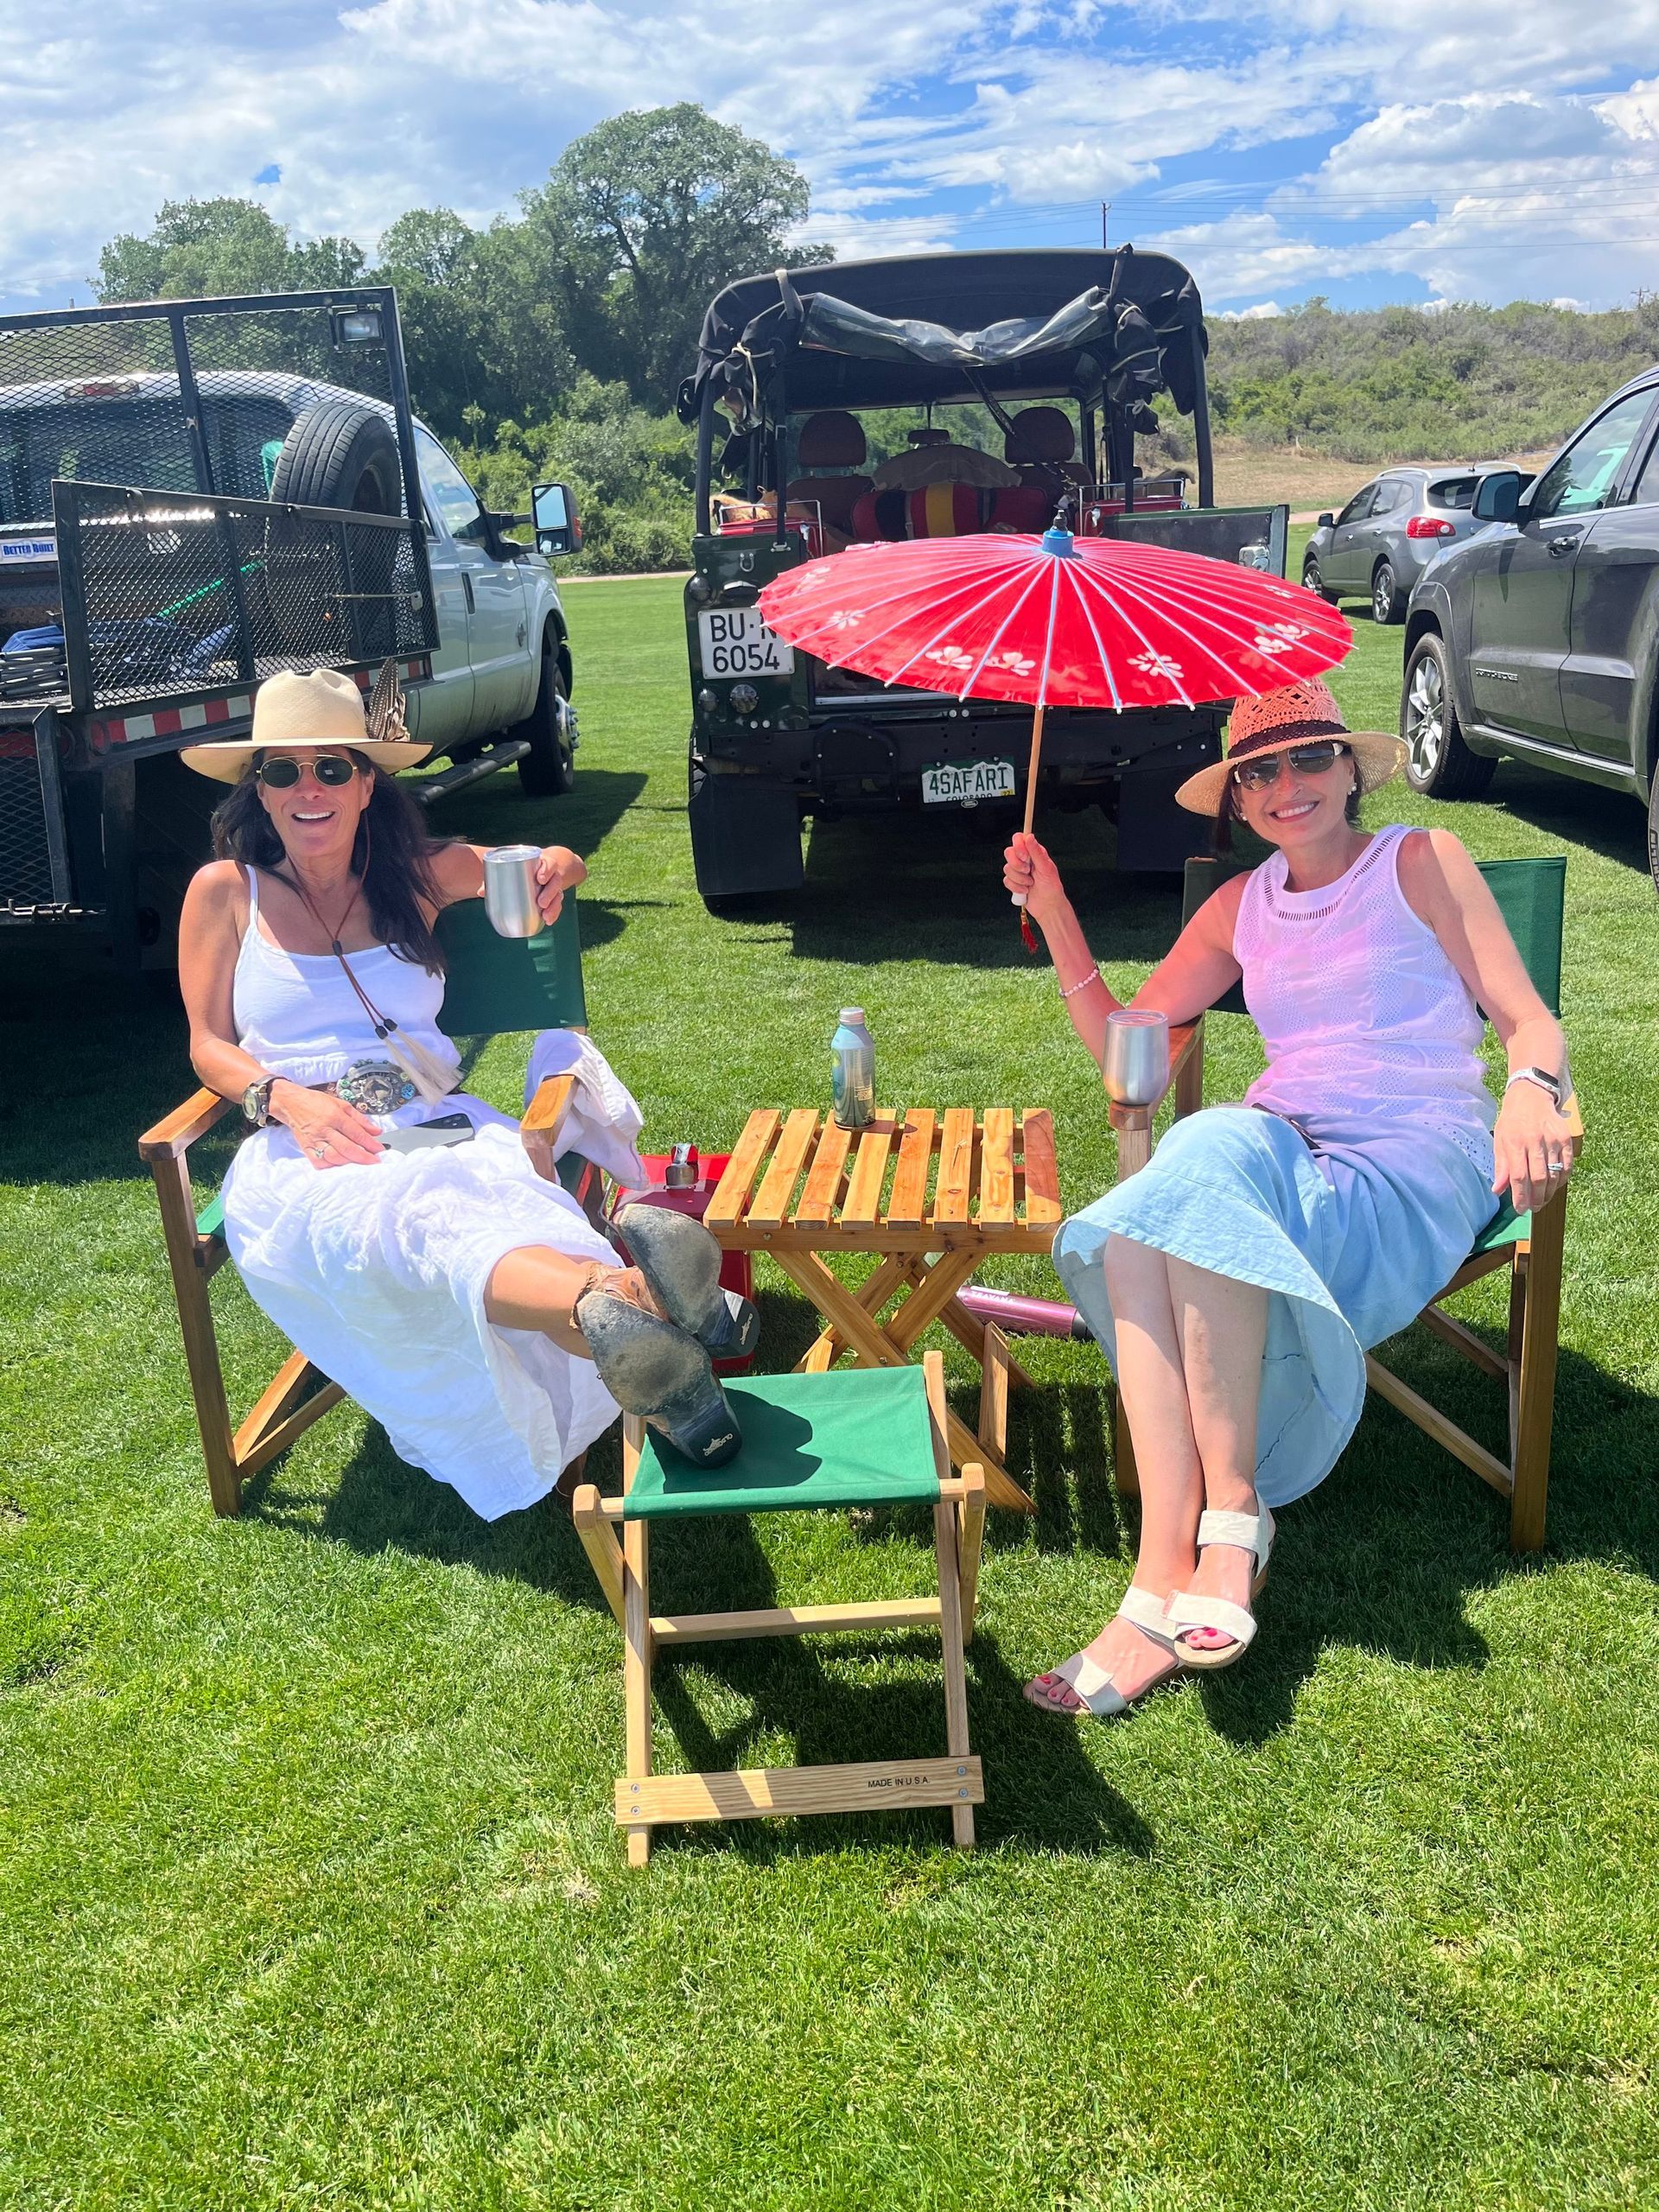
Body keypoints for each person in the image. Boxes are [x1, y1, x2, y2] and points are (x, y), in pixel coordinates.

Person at [1003, 677, 1577, 1719]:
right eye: (1258, 772)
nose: (1286, 785)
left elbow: (1527, 1021)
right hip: (1282, 1149)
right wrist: (1057, 913)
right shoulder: (1237, 907)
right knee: (1169, 1188)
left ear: (1353, 768)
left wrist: (1534, 1090)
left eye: (1309, 759)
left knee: (1185, 1173)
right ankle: (1175, 1560)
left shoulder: (1420, 861)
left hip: (1414, 1157)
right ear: (1238, 800)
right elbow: (1128, 1052)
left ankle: (1214, 1532)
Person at [176, 666, 753, 1522]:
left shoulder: (414, 875)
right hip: (304, 1144)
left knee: (487, 1199)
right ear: (257, 789)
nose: (308, 790)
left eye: (331, 768)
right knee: (407, 1221)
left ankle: (630, 1320)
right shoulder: (226, 892)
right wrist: (283, 1098)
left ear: (367, 783)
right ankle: (647, 1310)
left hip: (428, 1120)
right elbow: (206, 1046)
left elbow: (556, 862)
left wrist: (558, 866)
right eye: (282, 770)